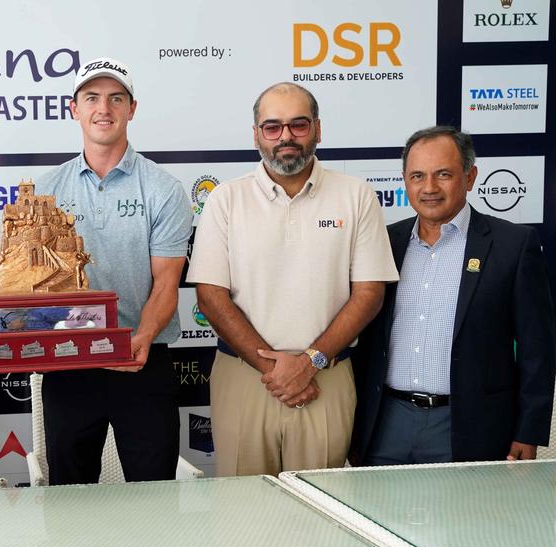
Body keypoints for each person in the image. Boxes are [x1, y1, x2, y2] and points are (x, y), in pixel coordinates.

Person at [186, 82, 399, 476]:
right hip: (245, 377)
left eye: (298, 125)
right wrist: (278, 371)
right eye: (272, 126)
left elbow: (369, 293)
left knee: (325, 516)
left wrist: (311, 361)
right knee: (243, 514)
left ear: (318, 129)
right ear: (257, 135)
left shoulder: (356, 195)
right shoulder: (225, 200)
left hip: (327, 376)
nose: (286, 136)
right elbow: (210, 297)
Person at [351, 126, 555, 465]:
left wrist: (528, 431)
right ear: (404, 180)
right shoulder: (383, 243)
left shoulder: (513, 246)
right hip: (386, 422)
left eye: (443, 174)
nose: (429, 188)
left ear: (470, 176)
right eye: (417, 176)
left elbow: (537, 349)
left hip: (472, 425)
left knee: (467, 516)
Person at [34, 58, 192, 484]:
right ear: (74, 109)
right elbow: (34, 286)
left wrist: (137, 339)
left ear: (131, 109)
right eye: (92, 98)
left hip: (141, 362)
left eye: (115, 98)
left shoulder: (164, 189)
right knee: (70, 498)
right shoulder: (46, 190)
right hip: (69, 365)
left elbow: (166, 284)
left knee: (153, 494)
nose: (103, 108)